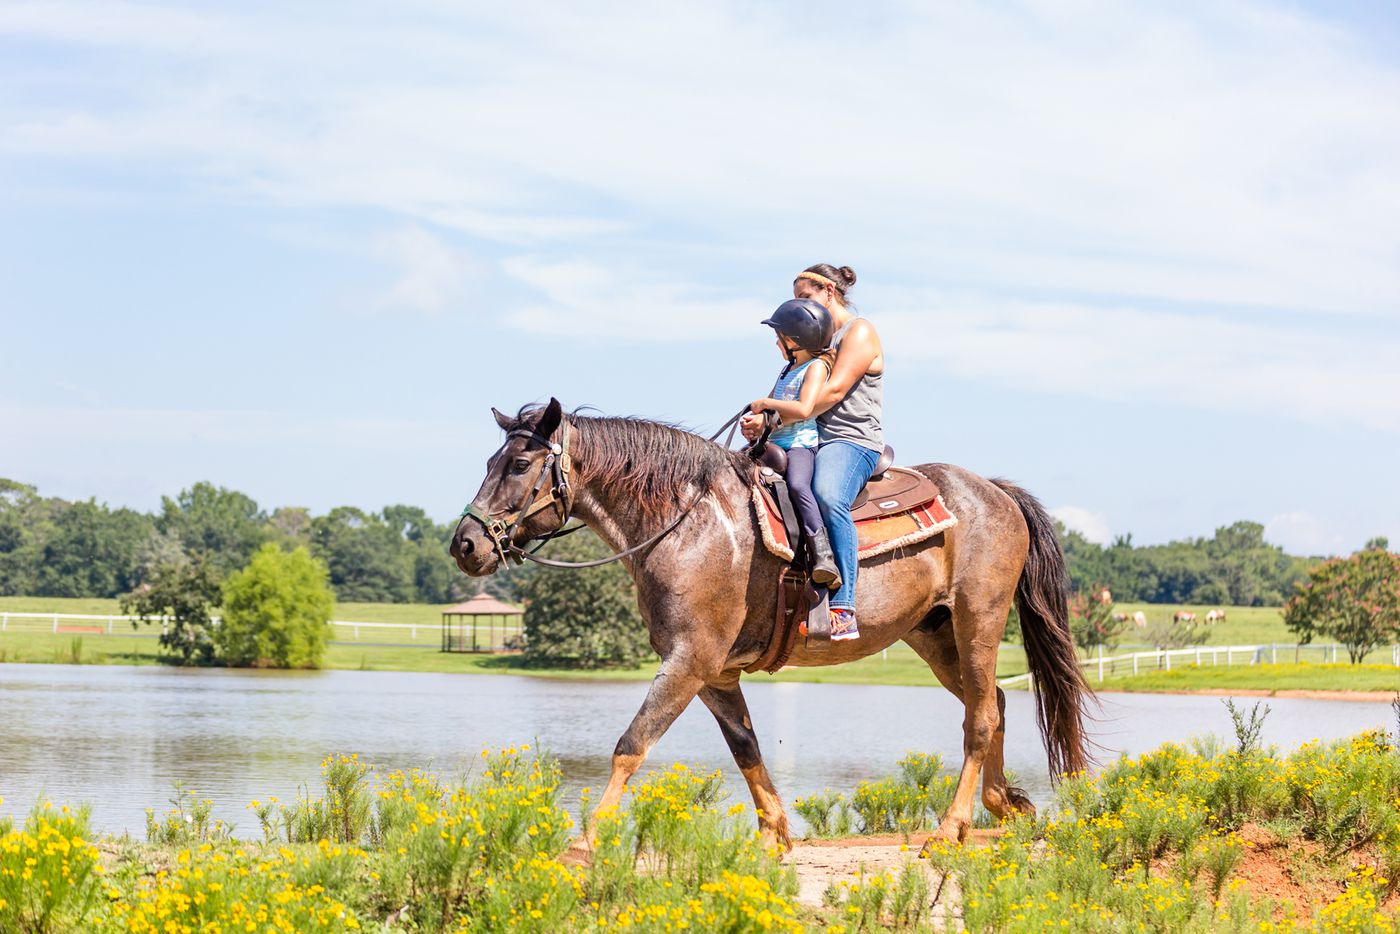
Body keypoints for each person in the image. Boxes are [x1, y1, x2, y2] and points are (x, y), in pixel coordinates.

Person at [743, 263, 883, 642]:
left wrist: (772, 417)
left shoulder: (859, 332)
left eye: (805, 297)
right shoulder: (810, 345)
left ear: (829, 293)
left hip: (849, 440)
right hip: (807, 438)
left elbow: (833, 392)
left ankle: (843, 606)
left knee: (826, 494)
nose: (799, 307)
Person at [750, 298, 841, 589]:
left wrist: (765, 402)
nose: (776, 344)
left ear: (793, 340)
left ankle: (823, 555)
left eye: (779, 338)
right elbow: (773, 414)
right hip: (776, 442)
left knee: (800, 485)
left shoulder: (814, 368)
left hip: (800, 445)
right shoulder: (787, 370)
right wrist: (756, 424)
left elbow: (803, 409)